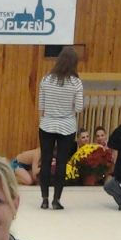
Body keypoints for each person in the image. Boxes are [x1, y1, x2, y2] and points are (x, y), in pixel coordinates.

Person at [37, 47, 84, 210]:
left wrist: (44, 119)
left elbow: (41, 106)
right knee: (61, 163)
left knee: (46, 161)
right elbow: (79, 108)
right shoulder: (76, 83)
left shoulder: (46, 80)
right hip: (67, 126)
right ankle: (56, 200)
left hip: (47, 124)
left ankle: (44, 199)